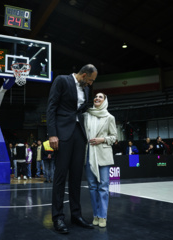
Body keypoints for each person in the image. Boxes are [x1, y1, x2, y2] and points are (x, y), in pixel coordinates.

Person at [47, 64, 97, 233]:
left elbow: (81, 110)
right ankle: (58, 218)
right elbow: (51, 107)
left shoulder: (86, 90)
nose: (90, 84)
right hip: (62, 133)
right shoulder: (62, 80)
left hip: (78, 134)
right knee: (61, 176)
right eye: (90, 80)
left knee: (76, 177)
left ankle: (76, 215)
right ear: (83, 75)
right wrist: (52, 134)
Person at [84, 92, 117, 228]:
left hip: (103, 155)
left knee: (103, 187)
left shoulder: (109, 117)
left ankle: (103, 216)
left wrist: (102, 139)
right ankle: (95, 215)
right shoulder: (86, 115)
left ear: (105, 101)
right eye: (96, 97)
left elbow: (114, 137)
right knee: (92, 187)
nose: (97, 98)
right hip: (89, 154)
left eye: (100, 97)